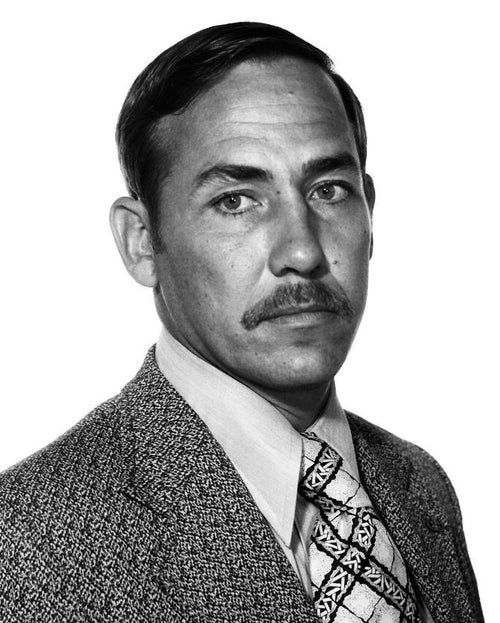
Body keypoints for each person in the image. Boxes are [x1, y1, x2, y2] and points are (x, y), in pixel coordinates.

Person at [0, 21, 484, 623]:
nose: (302, 251)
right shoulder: (27, 544)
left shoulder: (420, 485)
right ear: (142, 241)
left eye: (329, 190)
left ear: (370, 215)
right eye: (235, 201)